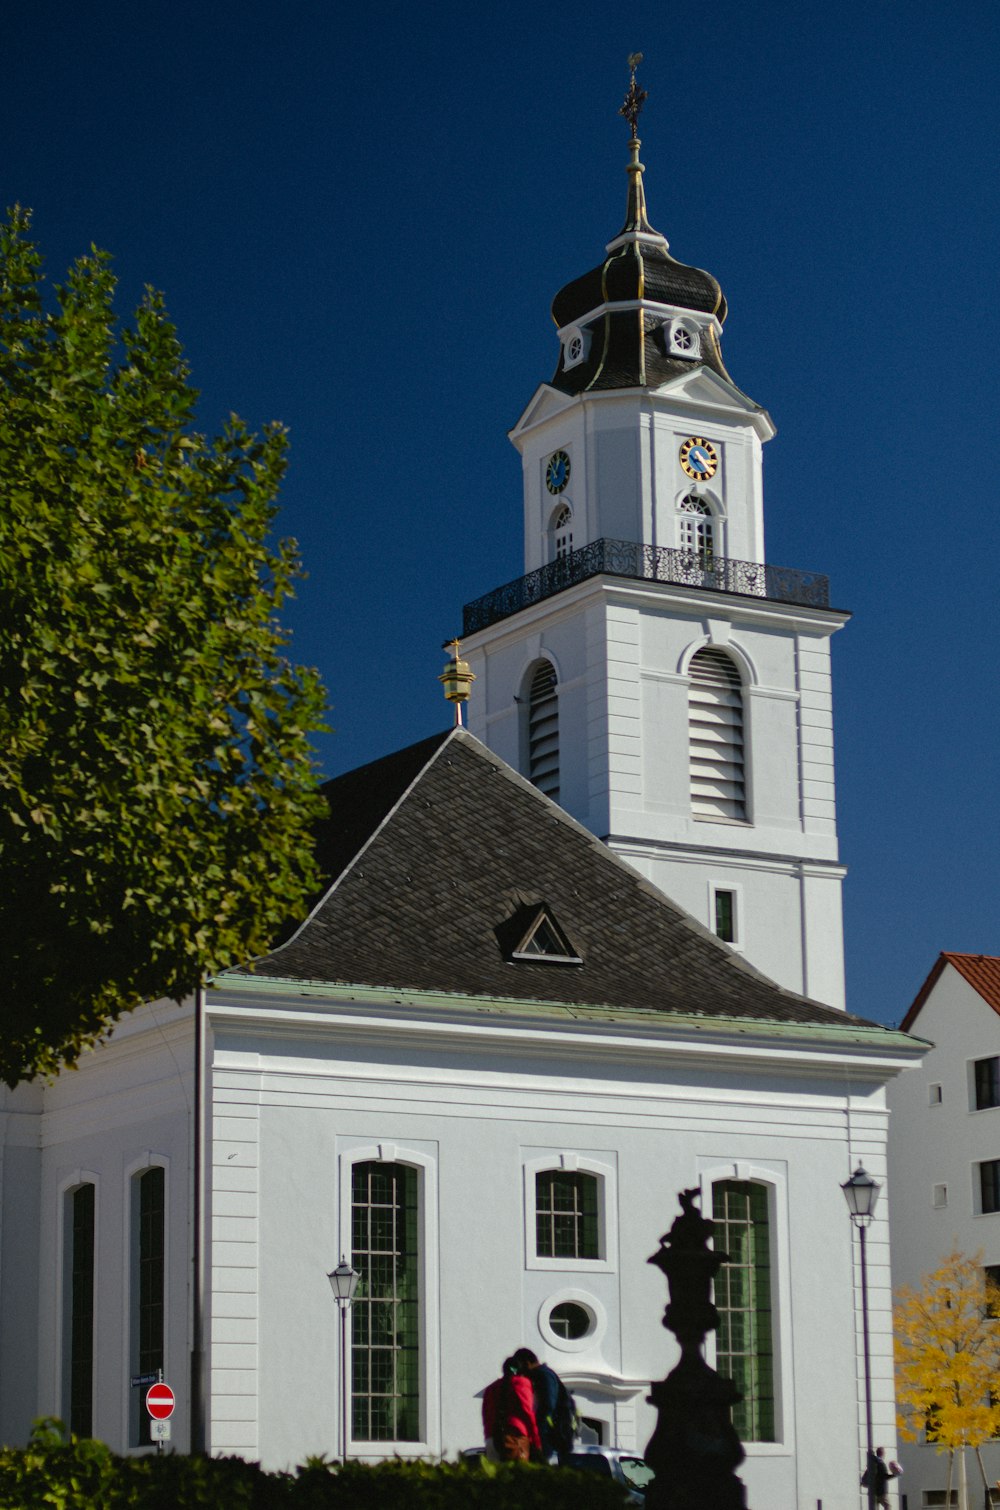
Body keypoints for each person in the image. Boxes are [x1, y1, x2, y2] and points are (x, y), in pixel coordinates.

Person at [512, 1346, 576, 1465]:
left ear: (527, 1363)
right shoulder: (543, 1374)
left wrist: (536, 1429)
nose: (518, 1372)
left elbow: (548, 1405)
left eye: (519, 1367)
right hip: (548, 1434)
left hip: (547, 1436)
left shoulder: (543, 1375)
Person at [481, 1356, 541, 1462]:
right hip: (515, 1437)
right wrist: (536, 1440)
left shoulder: (490, 1388)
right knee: (518, 1476)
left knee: (495, 1476)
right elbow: (527, 1413)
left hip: (492, 1437)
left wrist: (488, 1436)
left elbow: (485, 1415)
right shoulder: (521, 1383)